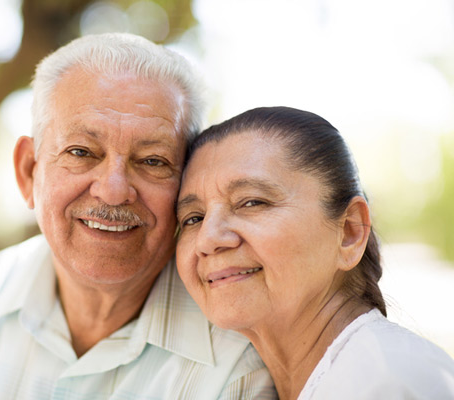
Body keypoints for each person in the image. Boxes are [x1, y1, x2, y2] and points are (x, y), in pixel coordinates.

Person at [0, 34, 277, 399]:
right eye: (81, 152)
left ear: (187, 189)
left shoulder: (237, 363)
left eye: (152, 161)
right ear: (28, 171)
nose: (113, 190)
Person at [175, 106, 454, 399]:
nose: (208, 239)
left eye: (252, 202)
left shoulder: (387, 384)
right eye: (193, 218)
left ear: (349, 232)